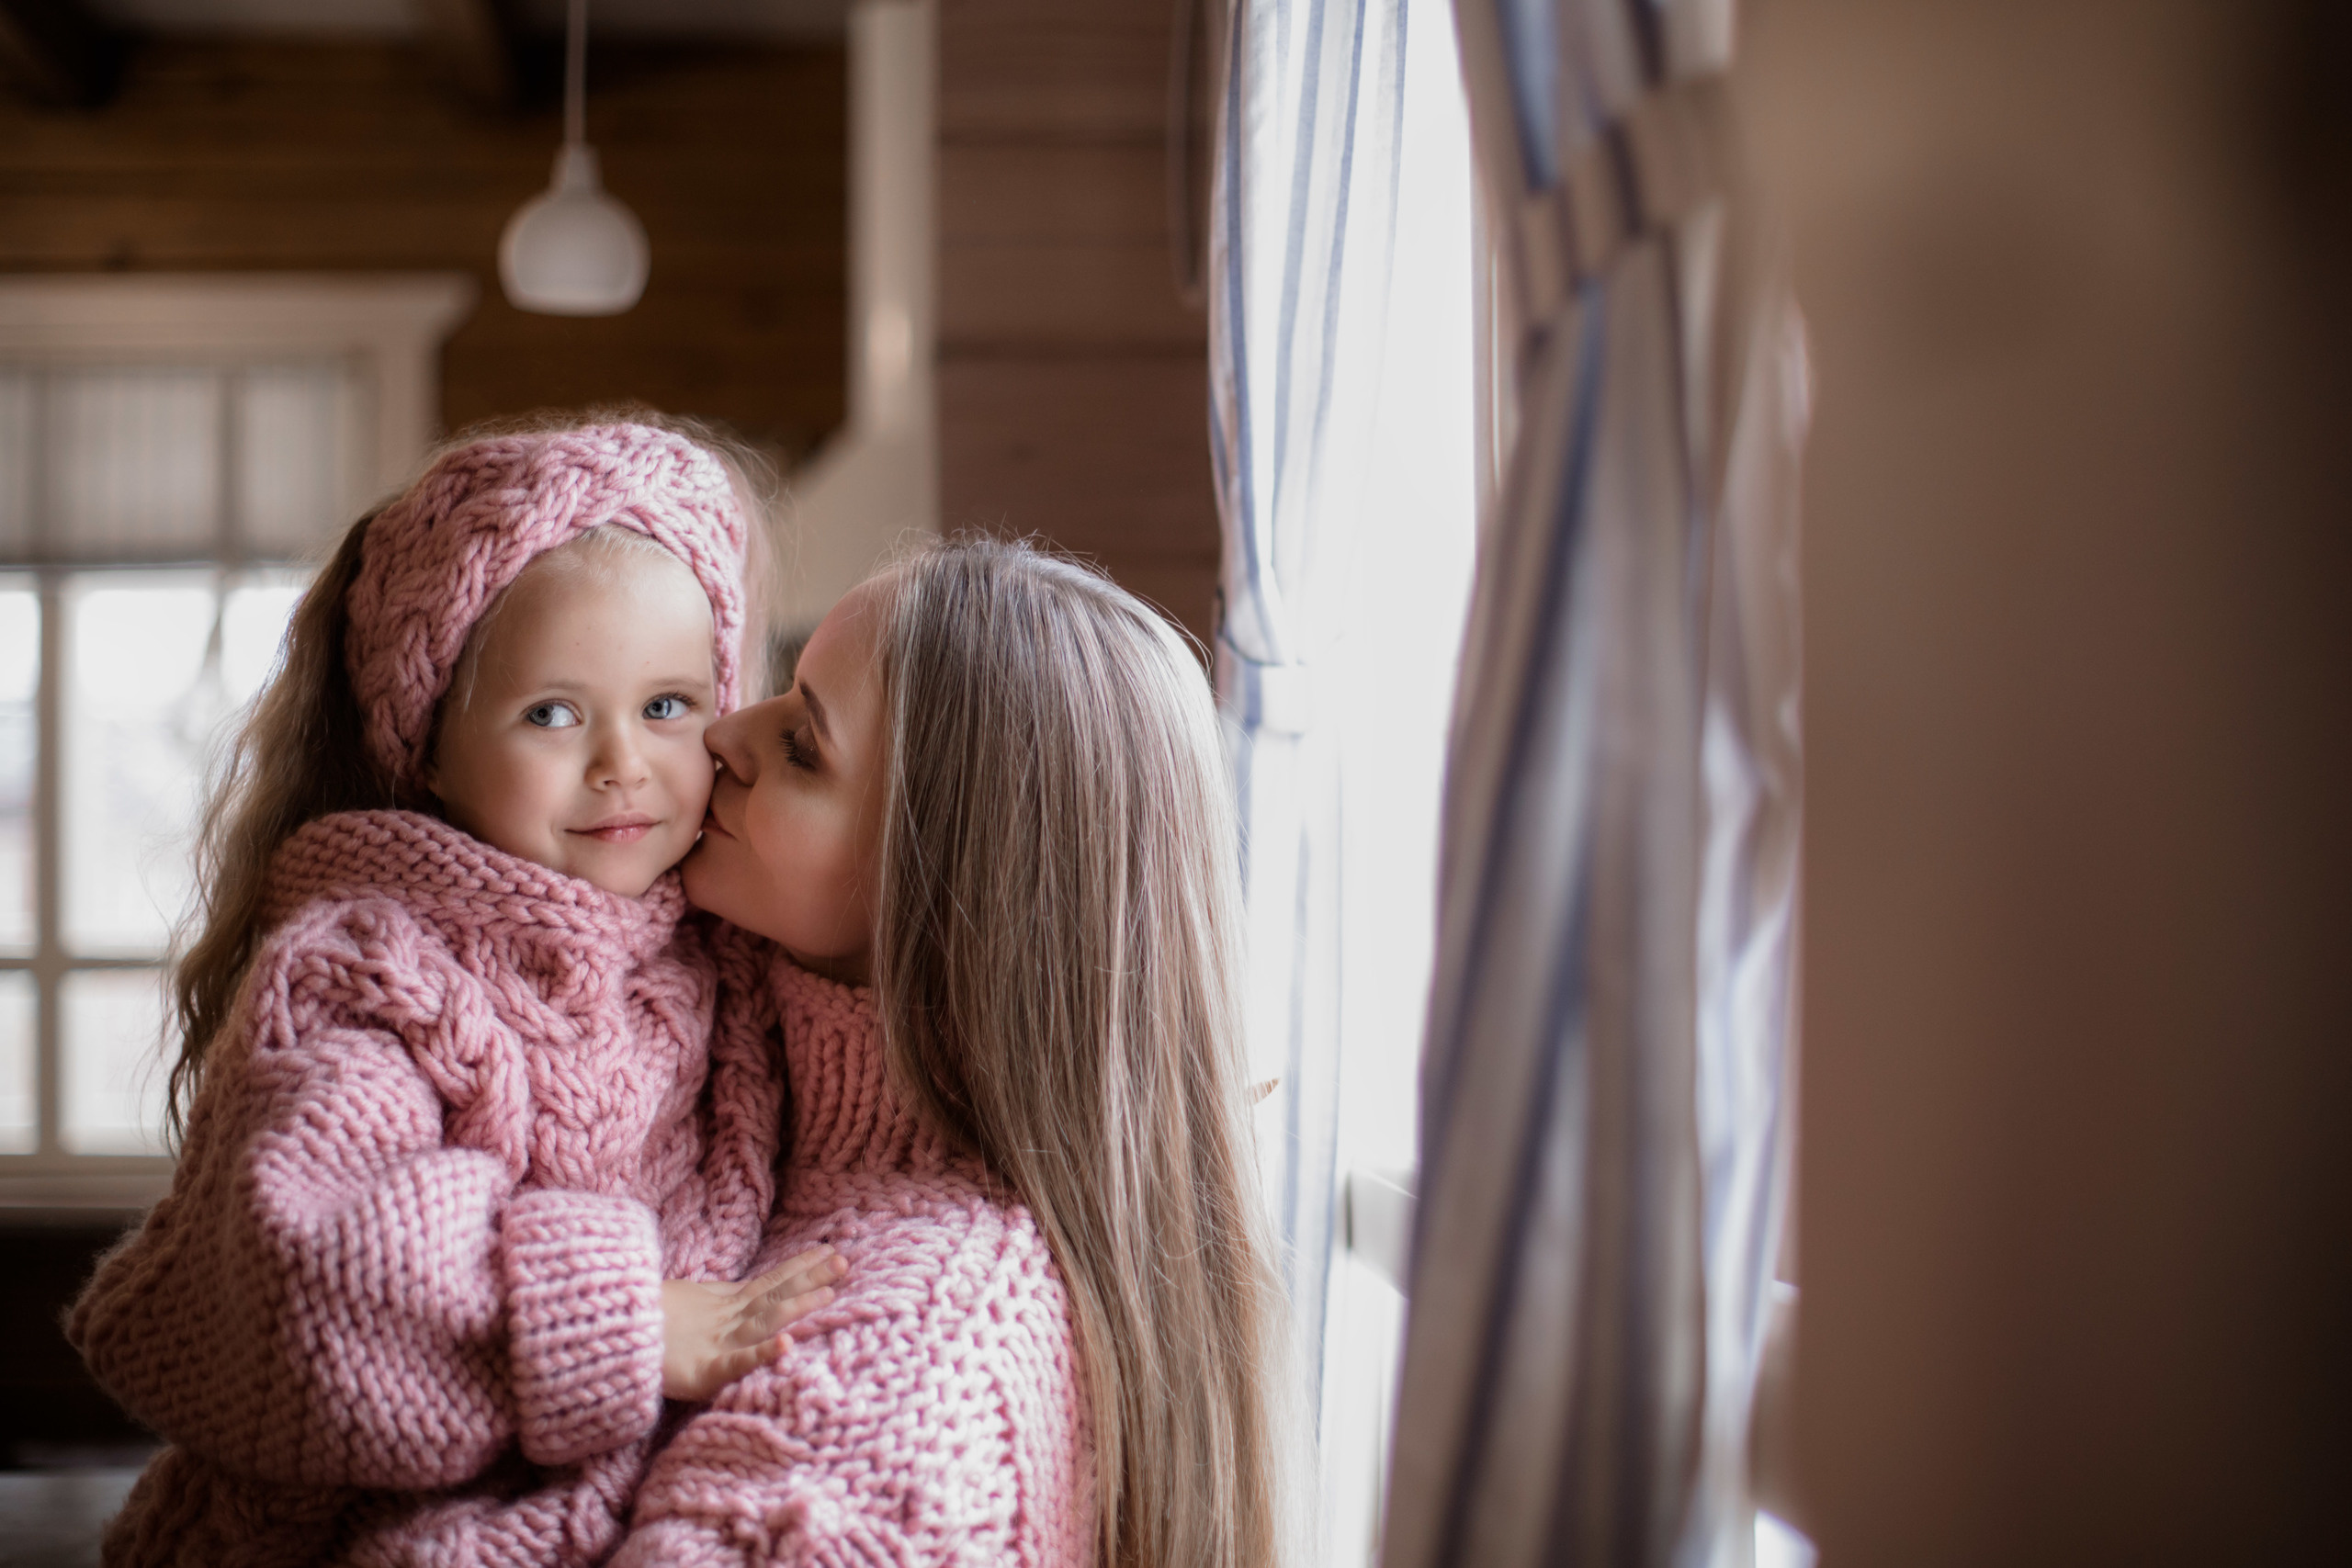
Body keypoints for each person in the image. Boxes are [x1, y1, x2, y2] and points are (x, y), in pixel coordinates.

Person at [70, 420, 843, 1566]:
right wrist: (621, 1322)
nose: (621, 762)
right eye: (551, 713)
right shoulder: (368, 972)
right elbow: (308, 1267)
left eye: (669, 706)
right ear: (429, 748)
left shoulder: (720, 941)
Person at [613, 536, 1295, 1568]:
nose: (724, 733)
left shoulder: (907, 1395)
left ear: (955, 896)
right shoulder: (745, 1109)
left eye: (803, 746)